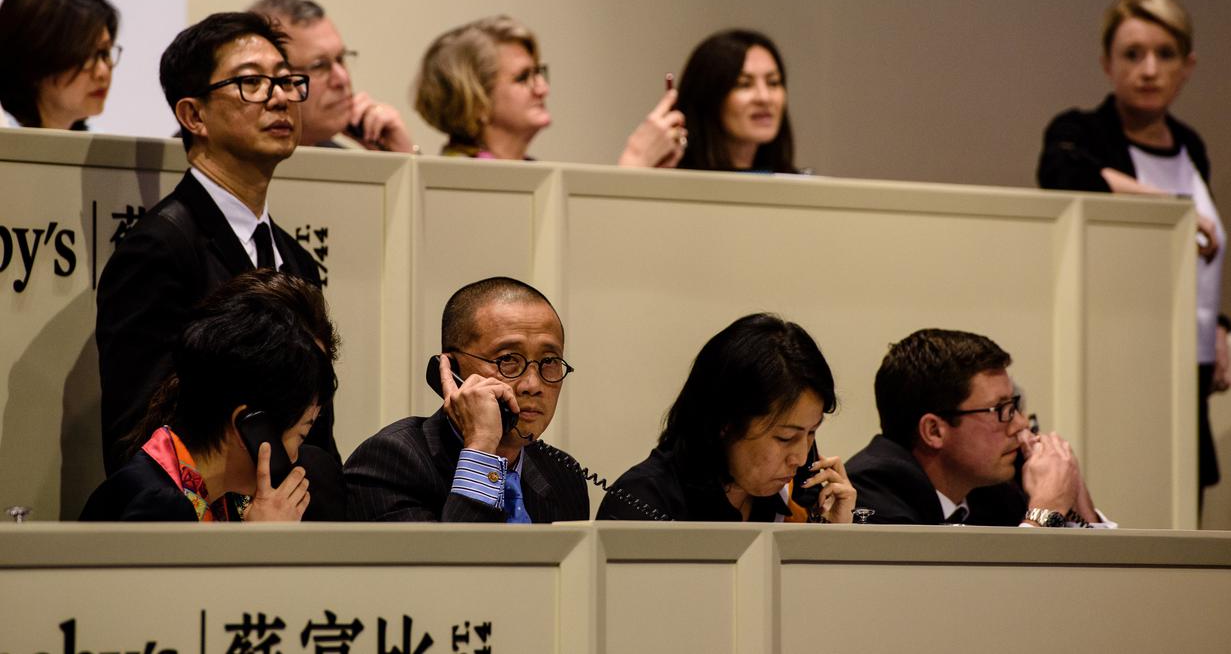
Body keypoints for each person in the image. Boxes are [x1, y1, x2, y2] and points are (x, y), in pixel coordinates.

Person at [96, 12, 339, 478]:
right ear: (193, 115)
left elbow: (317, 426)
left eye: (286, 81)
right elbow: (138, 437)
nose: (280, 98)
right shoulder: (158, 250)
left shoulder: (296, 258)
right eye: (251, 82)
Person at [1036, 0, 1223, 493]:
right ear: (1106, 63)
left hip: (1190, 370)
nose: (1149, 69)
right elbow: (1062, 170)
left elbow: (1190, 265)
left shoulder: (1190, 146)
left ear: (1188, 65)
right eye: (1133, 54)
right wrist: (1169, 207)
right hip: (1120, 361)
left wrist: (1218, 328)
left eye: (1165, 54)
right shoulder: (1082, 131)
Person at [81, 271, 336, 522]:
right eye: (300, 436)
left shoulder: (220, 501)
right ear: (251, 427)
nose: (295, 459)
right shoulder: (160, 508)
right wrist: (261, 544)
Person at [345, 276, 589, 522]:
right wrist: (481, 449)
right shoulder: (391, 462)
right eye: (508, 360)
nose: (533, 385)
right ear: (450, 369)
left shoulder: (563, 474)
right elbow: (448, 560)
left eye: (549, 362)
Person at [598, 313, 855, 523]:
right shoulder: (643, 502)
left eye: (811, 433)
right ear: (725, 423)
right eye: (785, 437)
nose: (799, 458)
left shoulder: (796, 502)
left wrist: (832, 535)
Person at [847, 329, 1113, 528]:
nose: (1021, 425)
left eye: (1015, 406)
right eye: (1000, 410)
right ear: (934, 431)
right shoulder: (870, 495)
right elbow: (965, 598)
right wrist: (1046, 511)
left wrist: (1076, 498)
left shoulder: (995, 495)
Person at [414, 14, 684, 165]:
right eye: (523, 78)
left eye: (538, 73)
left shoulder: (527, 171)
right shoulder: (458, 179)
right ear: (477, 103)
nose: (543, 89)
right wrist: (635, 160)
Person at [249, 0, 413, 152]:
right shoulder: (239, 172)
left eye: (341, 59)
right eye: (319, 65)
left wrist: (401, 158)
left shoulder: (346, 166)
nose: (342, 79)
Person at [0, 0, 120, 130]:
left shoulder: (101, 147)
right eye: (86, 56)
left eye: (104, 53)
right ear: (36, 60)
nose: (103, 73)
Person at [674, 29, 796, 173]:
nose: (764, 98)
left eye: (773, 82)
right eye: (744, 84)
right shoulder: (672, 183)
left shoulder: (795, 186)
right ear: (708, 96)